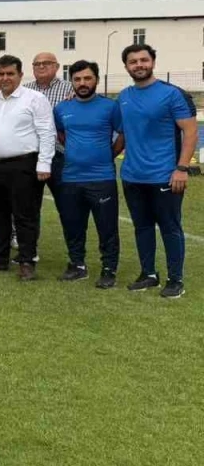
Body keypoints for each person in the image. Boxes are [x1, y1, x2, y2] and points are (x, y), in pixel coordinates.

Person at [117, 43, 196, 298]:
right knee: (142, 227)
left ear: (152, 62)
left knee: (170, 227)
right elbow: (121, 132)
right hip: (132, 176)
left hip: (165, 176)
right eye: (133, 61)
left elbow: (190, 132)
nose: (139, 65)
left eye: (143, 60)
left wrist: (181, 168)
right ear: (126, 66)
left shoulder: (172, 94)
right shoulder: (124, 96)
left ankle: (175, 279)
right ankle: (149, 274)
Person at [0, 55, 55, 281]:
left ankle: (27, 261)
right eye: (1, 74)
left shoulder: (34, 98)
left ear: (20, 75)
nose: (5, 78)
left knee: (25, 215)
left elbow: (47, 132)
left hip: (23, 164)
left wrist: (44, 163)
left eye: (10, 74)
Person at [53, 60, 122, 288]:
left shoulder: (110, 107)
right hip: (70, 178)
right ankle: (77, 265)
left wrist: (107, 155)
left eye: (87, 78)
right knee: (73, 225)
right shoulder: (61, 109)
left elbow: (123, 134)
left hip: (102, 178)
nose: (82, 83)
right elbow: (61, 135)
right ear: (71, 81)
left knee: (107, 227)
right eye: (77, 79)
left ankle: (109, 269)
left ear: (96, 80)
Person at [26, 52, 73, 205]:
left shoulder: (71, 89)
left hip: (60, 155)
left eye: (46, 63)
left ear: (57, 67)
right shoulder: (24, 91)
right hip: (30, 155)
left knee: (66, 204)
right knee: (28, 206)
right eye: (37, 64)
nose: (41, 66)